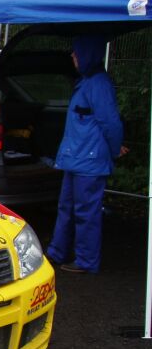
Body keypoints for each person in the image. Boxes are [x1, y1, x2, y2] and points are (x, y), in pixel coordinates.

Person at [46, 35, 126, 274]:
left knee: (86, 214)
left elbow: (111, 124)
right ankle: (56, 252)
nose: (72, 56)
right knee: (66, 208)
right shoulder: (87, 82)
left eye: (76, 53)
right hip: (76, 159)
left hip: (89, 162)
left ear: (87, 55)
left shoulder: (98, 85)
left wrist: (113, 150)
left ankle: (86, 261)